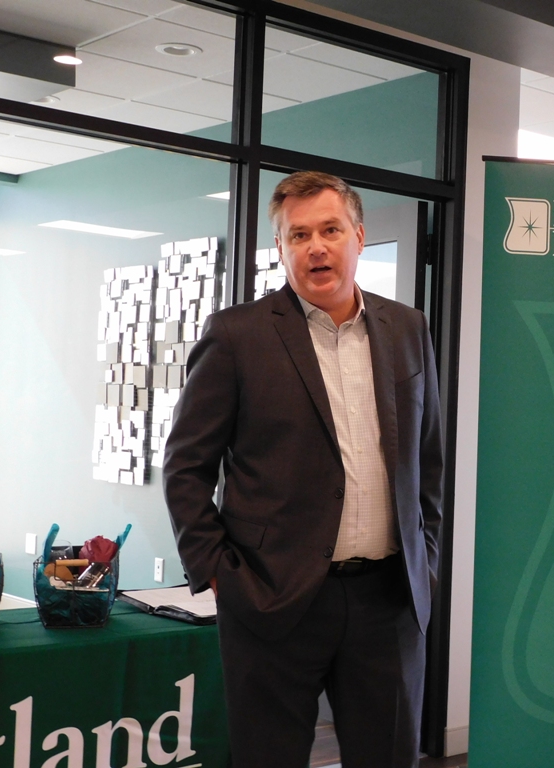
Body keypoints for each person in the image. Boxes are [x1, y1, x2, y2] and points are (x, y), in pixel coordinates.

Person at [163, 171, 443, 768]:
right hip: (271, 598)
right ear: (282, 247)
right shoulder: (237, 335)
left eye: (330, 230)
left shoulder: (407, 328)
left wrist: (427, 560)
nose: (316, 246)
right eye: (299, 235)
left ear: (358, 237)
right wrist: (218, 573)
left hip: (388, 601)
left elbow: (429, 462)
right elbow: (185, 466)